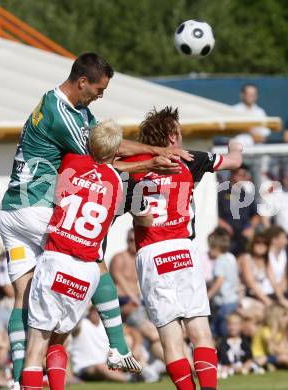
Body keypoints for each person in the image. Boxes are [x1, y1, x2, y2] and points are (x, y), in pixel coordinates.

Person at [0, 52, 188, 387]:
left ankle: (17, 381)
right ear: (82, 82)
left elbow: (105, 141)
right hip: (37, 206)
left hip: (11, 212)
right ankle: (116, 345)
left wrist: (153, 153)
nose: (101, 95)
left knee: (23, 296)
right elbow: (104, 159)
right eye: (99, 89)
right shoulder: (64, 117)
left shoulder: (66, 105)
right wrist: (154, 157)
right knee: (90, 262)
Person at [21, 120, 150, 390]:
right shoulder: (117, 182)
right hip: (87, 272)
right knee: (59, 341)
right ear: (116, 152)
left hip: (58, 259)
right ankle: (117, 347)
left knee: (35, 350)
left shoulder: (71, 160)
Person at [123, 106, 243, 390]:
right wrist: (237, 143)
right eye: (179, 132)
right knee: (200, 330)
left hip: (152, 254)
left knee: (170, 336)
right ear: (172, 136)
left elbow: (104, 157)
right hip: (183, 250)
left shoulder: (134, 166)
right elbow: (235, 160)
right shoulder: (189, 160)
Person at [110, 229, 164, 362]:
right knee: (154, 334)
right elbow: (118, 281)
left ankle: (186, 368)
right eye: (129, 240)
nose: (131, 243)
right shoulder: (119, 258)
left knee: (158, 338)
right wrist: (135, 299)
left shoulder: (141, 259)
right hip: (124, 302)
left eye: (134, 240)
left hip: (138, 303)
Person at [218, 165, 261, 256]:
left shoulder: (247, 195)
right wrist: (224, 225)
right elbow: (213, 214)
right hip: (225, 238)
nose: (242, 178)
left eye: (244, 175)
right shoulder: (220, 194)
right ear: (232, 175)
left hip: (243, 238)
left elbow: (256, 215)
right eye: (240, 175)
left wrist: (251, 228)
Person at [207, 228, 240, 337]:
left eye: (210, 247)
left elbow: (219, 281)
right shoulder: (231, 257)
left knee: (221, 329)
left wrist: (208, 295)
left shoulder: (219, 261)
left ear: (216, 248)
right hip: (233, 299)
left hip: (223, 301)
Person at [218, 313, 256, 378]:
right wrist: (233, 367)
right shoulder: (223, 342)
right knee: (221, 368)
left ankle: (244, 370)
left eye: (235, 324)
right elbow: (224, 359)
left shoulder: (244, 340)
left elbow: (249, 357)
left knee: (253, 365)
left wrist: (245, 366)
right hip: (228, 366)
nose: (232, 327)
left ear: (241, 326)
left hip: (242, 365)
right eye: (230, 324)